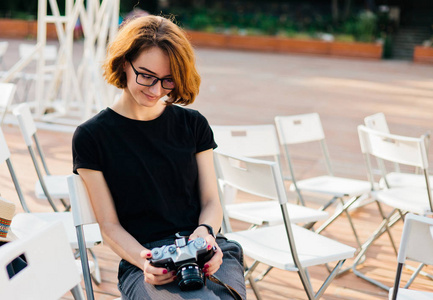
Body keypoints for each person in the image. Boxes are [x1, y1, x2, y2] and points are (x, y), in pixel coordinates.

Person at [72, 15, 246, 299]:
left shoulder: (193, 124)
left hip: (205, 249)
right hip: (144, 261)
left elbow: (212, 202)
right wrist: (144, 260)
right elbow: (109, 226)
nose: (156, 90)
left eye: (168, 81)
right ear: (124, 63)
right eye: (147, 76)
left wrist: (206, 235)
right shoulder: (92, 136)